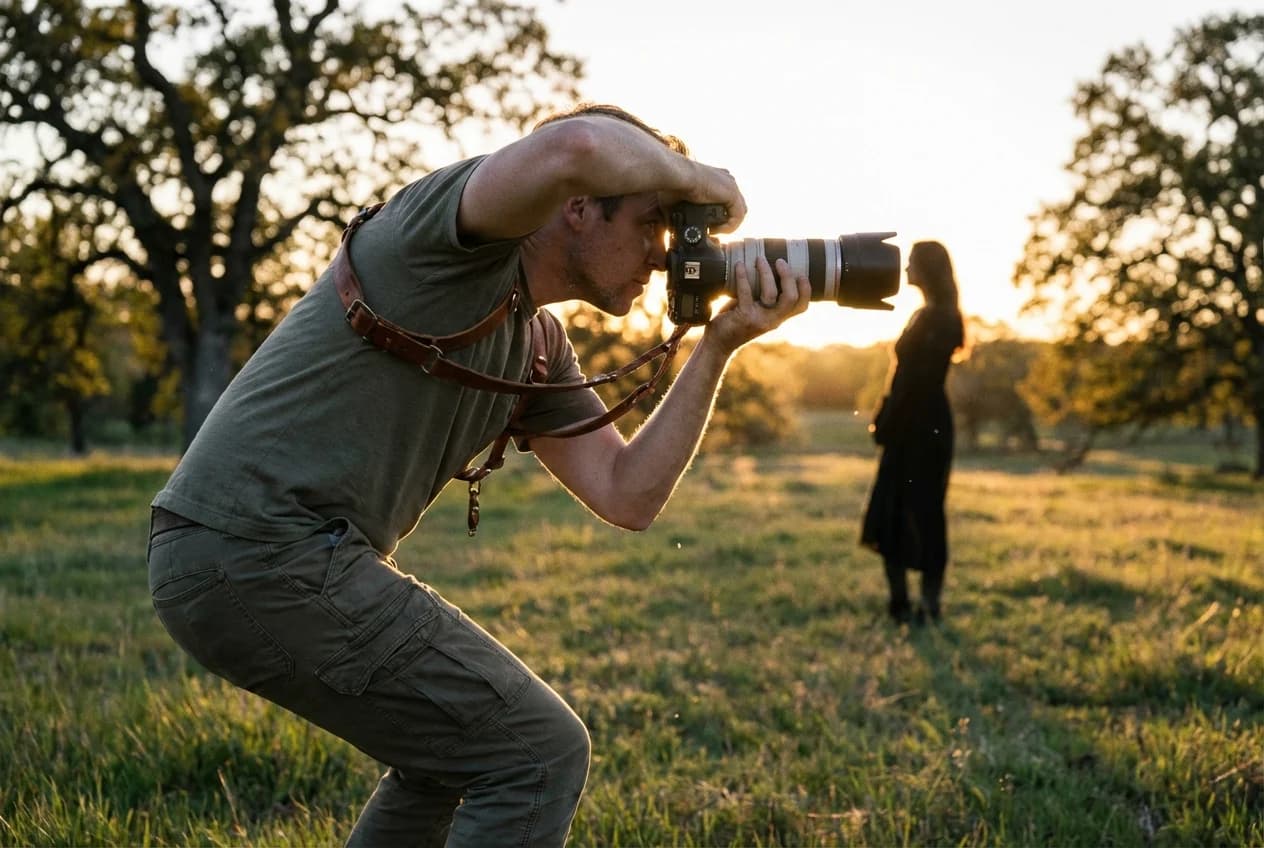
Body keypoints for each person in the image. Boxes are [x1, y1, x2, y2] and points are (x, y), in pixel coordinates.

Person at [145, 102, 810, 847]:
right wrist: (704, 179)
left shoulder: (538, 345)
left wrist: (719, 345)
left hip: (249, 557)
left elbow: (628, 495)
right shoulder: (444, 238)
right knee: (538, 753)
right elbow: (577, 143)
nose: (664, 254)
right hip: (261, 547)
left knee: (451, 758)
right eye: (656, 222)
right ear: (580, 206)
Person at [860, 240, 966, 624]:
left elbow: (913, 381)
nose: (905, 270)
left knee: (920, 512)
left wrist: (887, 420)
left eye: (911, 263)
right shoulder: (929, 315)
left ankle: (922, 606)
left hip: (922, 425)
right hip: (918, 420)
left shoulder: (939, 318)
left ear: (928, 269)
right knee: (899, 509)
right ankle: (906, 604)